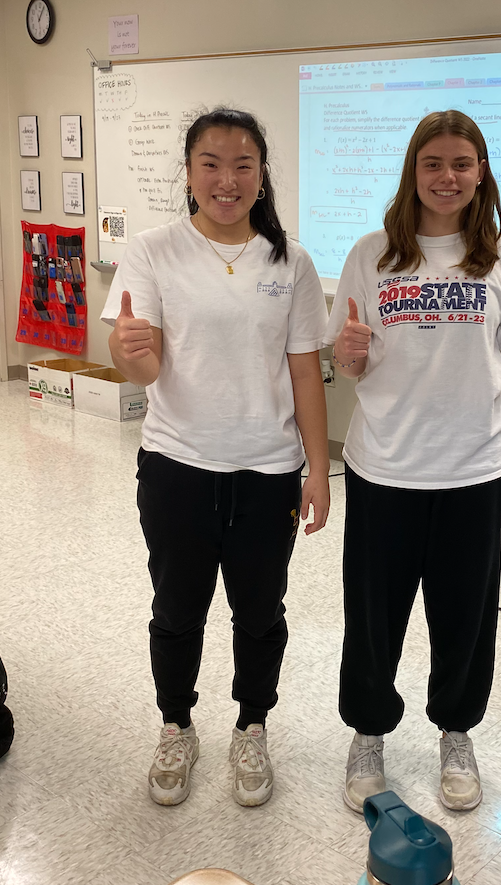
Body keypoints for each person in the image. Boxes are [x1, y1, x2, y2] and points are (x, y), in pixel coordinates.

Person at [101, 107, 330, 808]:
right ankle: (176, 725)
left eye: (242, 165)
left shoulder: (290, 262)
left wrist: (319, 470)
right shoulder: (154, 250)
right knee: (176, 609)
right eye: (211, 163)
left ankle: (252, 726)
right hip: (178, 466)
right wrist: (125, 351)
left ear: (262, 175)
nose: (226, 180)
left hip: (268, 472)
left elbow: (304, 373)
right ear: (190, 172)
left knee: (260, 612)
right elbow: (145, 367)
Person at [324, 109, 501, 814]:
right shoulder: (372, 253)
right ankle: (368, 735)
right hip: (384, 469)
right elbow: (350, 362)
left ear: (481, 173)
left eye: (461, 163)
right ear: (412, 172)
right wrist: (348, 354)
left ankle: (456, 733)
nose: (446, 177)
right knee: (373, 618)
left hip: (472, 472)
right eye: (433, 163)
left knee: (465, 621)